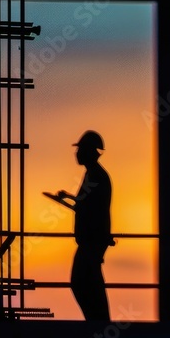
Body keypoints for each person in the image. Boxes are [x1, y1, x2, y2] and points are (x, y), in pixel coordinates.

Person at [57, 130, 114, 321]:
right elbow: (87, 203)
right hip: (93, 240)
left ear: (90, 152)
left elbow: (89, 206)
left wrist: (74, 201)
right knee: (90, 282)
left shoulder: (96, 175)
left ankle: (97, 322)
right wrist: (71, 198)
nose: (77, 153)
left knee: (82, 281)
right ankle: (98, 322)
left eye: (80, 149)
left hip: (92, 240)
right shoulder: (94, 174)